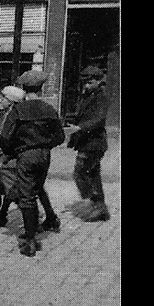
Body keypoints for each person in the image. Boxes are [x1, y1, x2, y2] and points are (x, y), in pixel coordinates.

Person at [0, 70, 66, 257]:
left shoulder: (19, 110)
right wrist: (44, 146)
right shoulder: (49, 109)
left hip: (26, 156)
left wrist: (15, 151)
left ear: (23, 88)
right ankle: (48, 221)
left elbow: (4, 139)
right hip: (45, 156)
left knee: (27, 196)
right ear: (40, 88)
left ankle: (29, 240)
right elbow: (60, 137)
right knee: (36, 188)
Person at [0, 86, 60, 233]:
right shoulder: (13, 112)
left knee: (17, 192)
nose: (1, 101)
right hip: (14, 158)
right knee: (0, 188)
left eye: (4, 98)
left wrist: (6, 154)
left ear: (11, 101)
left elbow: (10, 139)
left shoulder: (15, 115)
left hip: (14, 159)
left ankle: (30, 224)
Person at [66, 65, 111, 222]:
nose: (86, 86)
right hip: (88, 142)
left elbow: (99, 119)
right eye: (84, 83)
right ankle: (101, 209)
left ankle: (92, 203)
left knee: (80, 173)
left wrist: (80, 127)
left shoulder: (102, 97)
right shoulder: (88, 95)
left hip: (94, 143)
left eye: (89, 82)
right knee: (93, 175)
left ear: (99, 81)